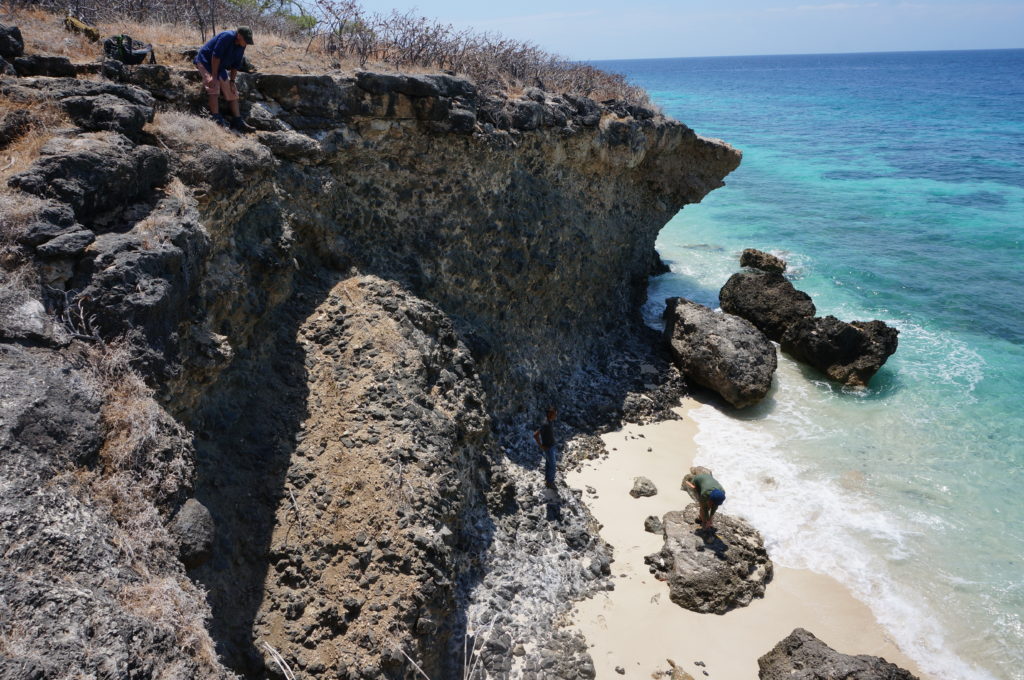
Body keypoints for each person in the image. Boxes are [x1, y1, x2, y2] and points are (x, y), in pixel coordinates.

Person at [194, 26, 256, 132]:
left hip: (219, 66)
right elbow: (215, 56)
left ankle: (238, 121)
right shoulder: (227, 37)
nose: (246, 43)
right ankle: (216, 118)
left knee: (232, 91)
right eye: (245, 40)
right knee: (214, 87)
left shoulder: (242, 45)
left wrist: (232, 81)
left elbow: (235, 65)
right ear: (239, 35)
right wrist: (213, 77)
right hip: (205, 61)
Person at [533, 407, 558, 489]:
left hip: (551, 447)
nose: (556, 415)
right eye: (554, 414)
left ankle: (548, 480)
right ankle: (550, 483)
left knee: (548, 464)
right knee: (553, 465)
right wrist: (541, 446)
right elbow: (535, 435)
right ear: (550, 414)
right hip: (548, 448)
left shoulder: (549, 422)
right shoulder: (545, 424)